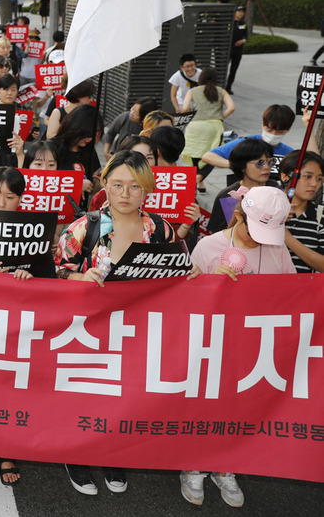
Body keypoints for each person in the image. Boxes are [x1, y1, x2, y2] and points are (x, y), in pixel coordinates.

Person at [55, 150, 178, 496]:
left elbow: (173, 277)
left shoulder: (161, 231)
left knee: (121, 394)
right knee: (84, 392)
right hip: (87, 330)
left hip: (138, 332)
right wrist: (77, 279)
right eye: (117, 185)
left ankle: (109, 452)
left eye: (134, 187)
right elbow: (52, 271)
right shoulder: (85, 227)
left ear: (147, 190)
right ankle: (74, 454)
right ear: (104, 186)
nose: (125, 194)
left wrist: (192, 273)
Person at [185, 186, 295, 507]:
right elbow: (182, 301)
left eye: (267, 234)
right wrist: (208, 285)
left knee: (240, 409)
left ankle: (225, 466)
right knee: (204, 406)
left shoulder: (278, 251)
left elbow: (292, 297)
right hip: (211, 346)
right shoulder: (208, 246)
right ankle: (194, 463)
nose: (259, 239)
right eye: (254, 230)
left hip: (254, 349)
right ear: (237, 215)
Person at [200, 104, 302, 180]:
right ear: (262, 124)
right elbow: (208, 156)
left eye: (280, 132)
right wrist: (236, 165)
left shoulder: (288, 152)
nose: (274, 134)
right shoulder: (246, 144)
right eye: (269, 130)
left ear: (288, 129)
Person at [181, 68, 235, 193]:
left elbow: (185, 108)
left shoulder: (193, 91)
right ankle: (198, 180)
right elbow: (231, 107)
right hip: (214, 127)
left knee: (194, 154)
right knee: (212, 155)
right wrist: (220, 117)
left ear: (200, 79)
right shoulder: (221, 91)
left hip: (194, 126)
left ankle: (194, 181)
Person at [206, 138, 274, 235]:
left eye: (270, 162)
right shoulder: (226, 196)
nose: (267, 167)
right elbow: (217, 233)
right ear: (242, 166)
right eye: (260, 163)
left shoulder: (275, 189)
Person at [279, 150, 324, 272]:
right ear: (285, 177)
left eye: (319, 179)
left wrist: (288, 239)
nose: (314, 184)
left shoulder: (320, 216)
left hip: (306, 289)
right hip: (267, 287)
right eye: (307, 176)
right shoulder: (266, 209)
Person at [226, 6, 247, 93]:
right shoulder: (229, 23)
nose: (241, 13)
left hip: (238, 51)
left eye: (242, 12)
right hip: (229, 50)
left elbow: (246, 36)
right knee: (223, 68)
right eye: (239, 11)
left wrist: (243, 40)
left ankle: (228, 87)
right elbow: (226, 34)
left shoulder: (243, 24)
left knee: (233, 69)